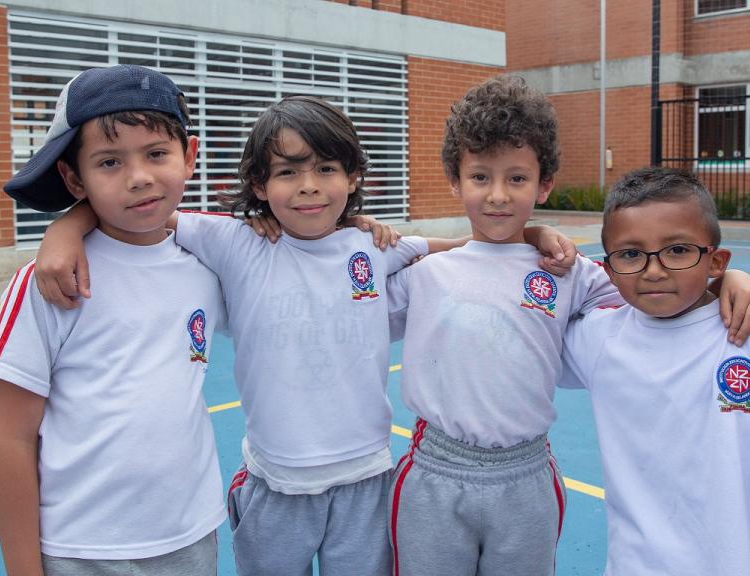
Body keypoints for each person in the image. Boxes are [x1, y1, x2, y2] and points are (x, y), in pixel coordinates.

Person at [32, 93, 577, 576]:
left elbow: (469, 246)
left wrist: (532, 232)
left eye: (326, 168)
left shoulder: (372, 248)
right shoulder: (237, 244)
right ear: (258, 184)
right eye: (288, 172)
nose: (310, 186)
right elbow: (141, 215)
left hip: (366, 481)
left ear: (354, 177)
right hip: (276, 486)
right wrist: (65, 227)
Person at [385, 76, 750, 576]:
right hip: (434, 475)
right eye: (480, 177)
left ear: (544, 183)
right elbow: (351, 300)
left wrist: (730, 280)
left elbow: (652, 286)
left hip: (526, 477)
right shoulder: (424, 276)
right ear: (455, 181)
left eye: (517, 178)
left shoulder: (567, 271)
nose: (498, 196)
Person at [0, 65, 227, 576]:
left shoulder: (212, 262)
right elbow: (11, 439)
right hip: (80, 549)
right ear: (74, 178)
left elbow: (301, 236)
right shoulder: (48, 282)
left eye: (157, 153)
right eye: (109, 162)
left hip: (190, 535)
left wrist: (367, 228)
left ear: (190, 156)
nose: (139, 177)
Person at [561, 166, 750, 576]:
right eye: (630, 254)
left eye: (678, 250)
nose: (654, 269)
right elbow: (516, 293)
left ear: (716, 260)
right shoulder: (598, 339)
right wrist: (538, 235)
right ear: (607, 269)